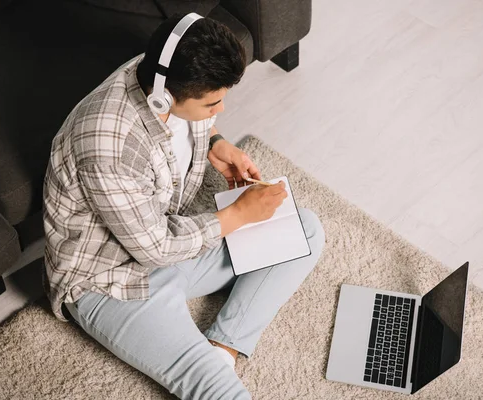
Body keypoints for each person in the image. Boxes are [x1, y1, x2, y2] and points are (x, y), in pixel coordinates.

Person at [42, 12, 326, 400]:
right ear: (165, 94)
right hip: (108, 282)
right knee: (218, 391)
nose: (220, 110)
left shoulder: (157, 73)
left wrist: (216, 143)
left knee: (304, 230)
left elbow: (194, 125)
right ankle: (211, 365)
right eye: (212, 102)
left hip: (174, 241)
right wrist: (237, 215)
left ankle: (223, 346)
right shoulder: (108, 148)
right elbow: (154, 248)